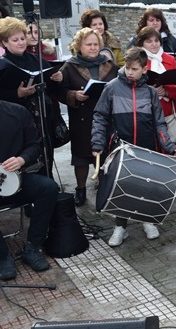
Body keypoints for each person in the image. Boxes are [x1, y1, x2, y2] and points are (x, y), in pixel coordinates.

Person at [91, 48, 176, 247]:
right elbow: (100, 116)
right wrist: (97, 142)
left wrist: (168, 145)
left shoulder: (150, 92)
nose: (129, 72)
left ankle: (147, 220)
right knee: (120, 186)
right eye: (127, 67)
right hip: (120, 147)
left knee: (145, 184)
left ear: (144, 69)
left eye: (134, 69)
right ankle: (120, 227)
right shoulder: (112, 87)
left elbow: (160, 123)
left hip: (146, 146)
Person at [58, 27, 117, 206]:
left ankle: (105, 188)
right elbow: (59, 91)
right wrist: (73, 95)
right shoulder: (70, 66)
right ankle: (81, 189)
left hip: (106, 118)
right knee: (81, 157)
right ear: (79, 46)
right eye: (88, 44)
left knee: (105, 155)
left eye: (95, 44)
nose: (92, 47)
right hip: (81, 118)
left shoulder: (109, 65)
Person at [0, 100, 58, 280]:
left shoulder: (17, 112)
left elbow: (35, 145)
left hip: (16, 178)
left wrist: (21, 159)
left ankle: (33, 247)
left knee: (48, 188)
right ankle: (2, 256)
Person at [0, 17, 64, 177]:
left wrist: (57, 79)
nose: (21, 42)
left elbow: (51, 83)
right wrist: (17, 93)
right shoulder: (3, 64)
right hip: (17, 119)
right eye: (15, 40)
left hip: (42, 116)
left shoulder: (36, 59)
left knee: (46, 152)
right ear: (4, 43)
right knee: (28, 155)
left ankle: (49, 183)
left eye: (22, 38)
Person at [137, 27, 176, 128]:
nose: (154, 44)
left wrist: (166, 92)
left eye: (156, 40)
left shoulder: (170, 59)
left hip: (168, 111)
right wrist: (151, 90)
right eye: (149, 41)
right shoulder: (138, 59)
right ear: (142, 43)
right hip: (144, 109)